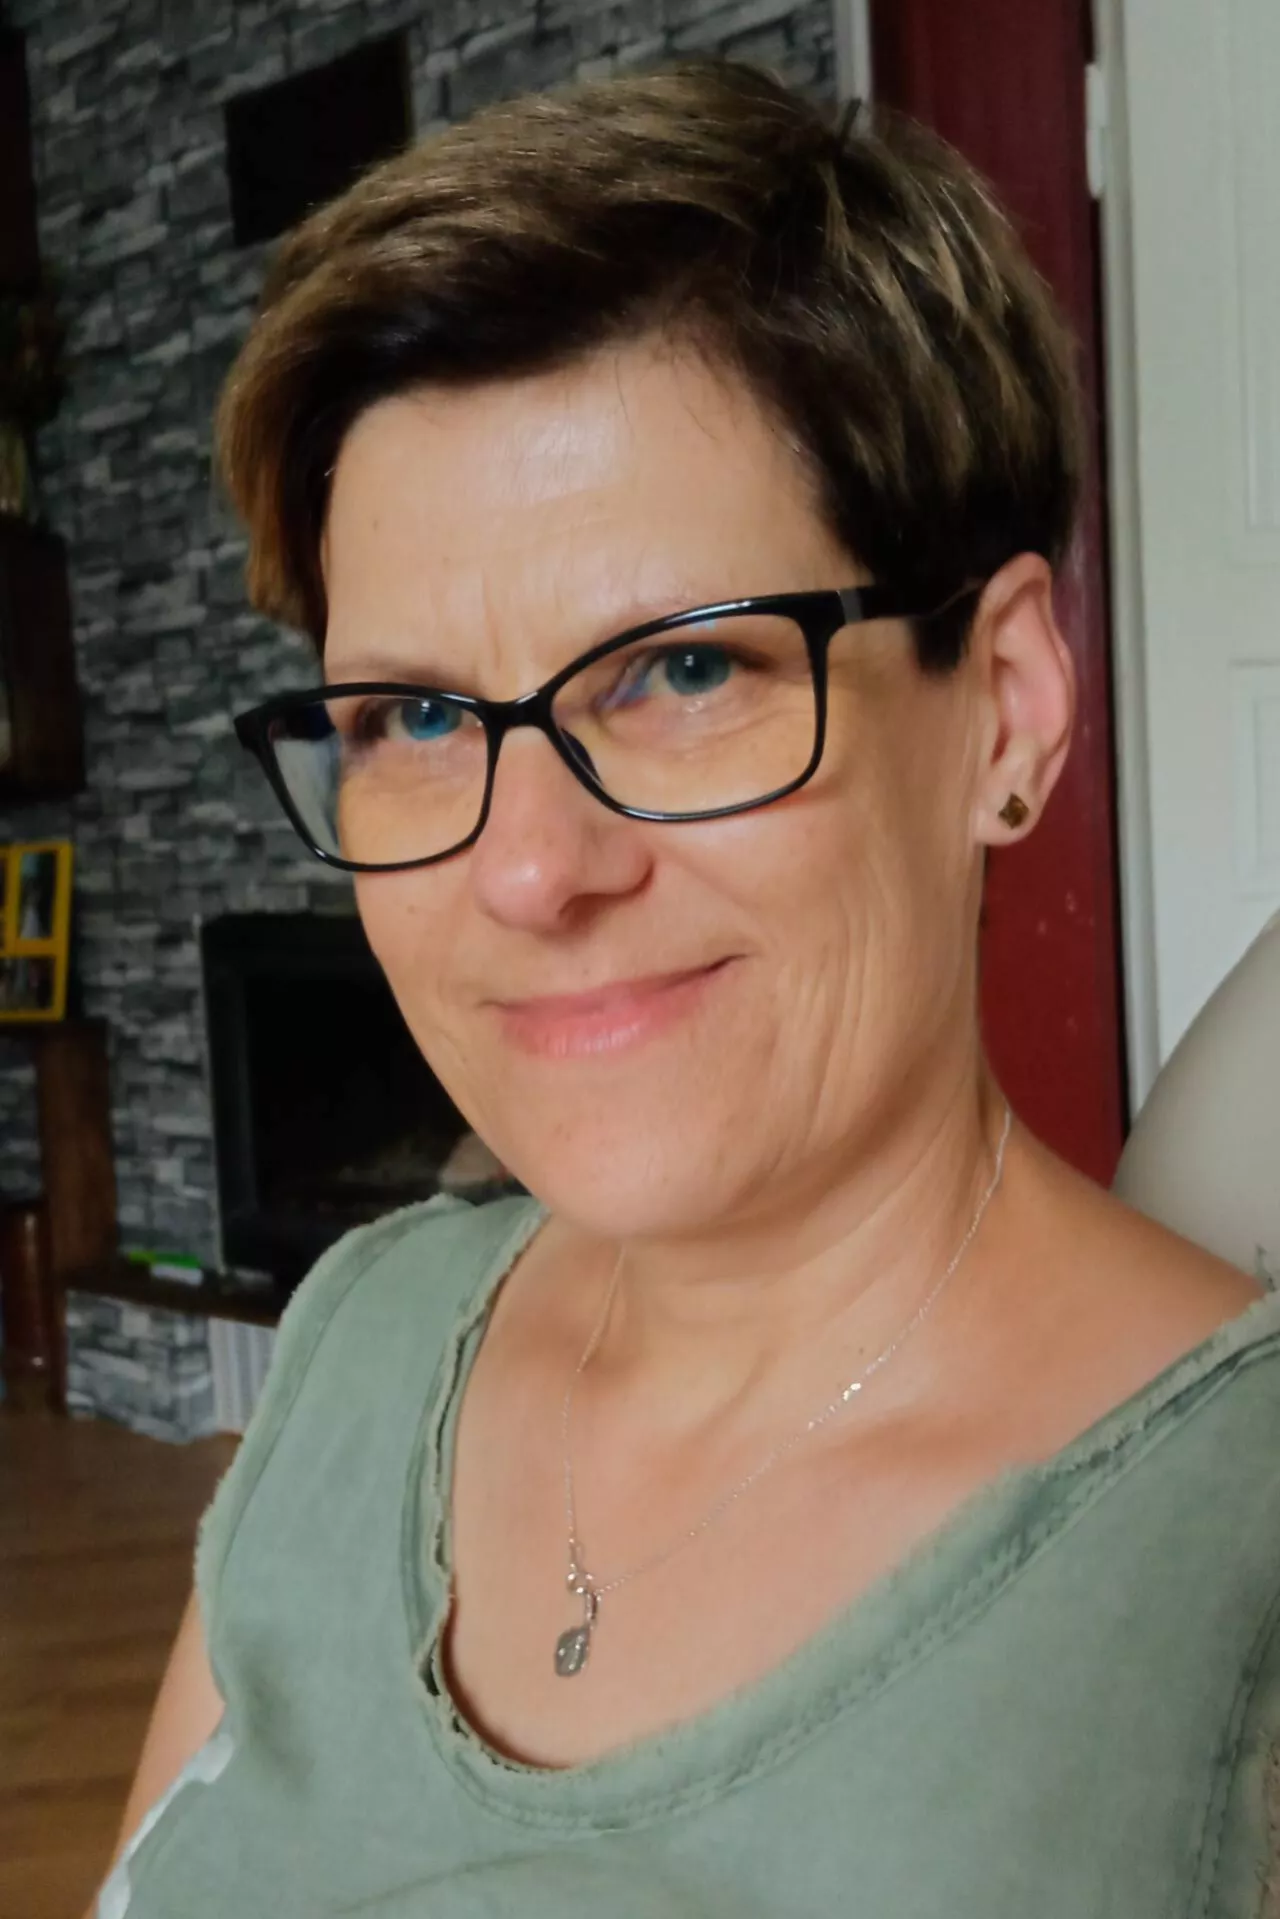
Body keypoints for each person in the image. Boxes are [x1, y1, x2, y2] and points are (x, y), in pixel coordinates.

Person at [93, 59, 1280, 1919]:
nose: (528, 871)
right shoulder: (361, 1333)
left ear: (1005, 708)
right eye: (413, 716)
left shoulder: (1235, 1551)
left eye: (685, 671)